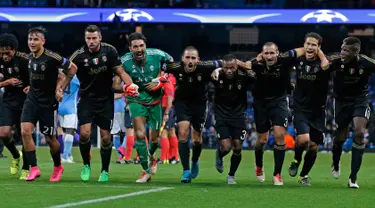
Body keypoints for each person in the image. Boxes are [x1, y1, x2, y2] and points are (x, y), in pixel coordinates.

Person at [165, 46, 249, 183]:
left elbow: (227, 61)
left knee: (197, 139)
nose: (190, 61)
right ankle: (186, 171)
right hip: (182, 104)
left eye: (193, 58)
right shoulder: (175, 67)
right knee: (183, 133)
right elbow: (160, 65)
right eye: (187, 57)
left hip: (200, 105)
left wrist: (242, 65)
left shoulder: (206, 66)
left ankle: (195, 160)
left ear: (198, 59)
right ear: (182, 59)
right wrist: (158, 78)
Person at [69, 25, 136, 182]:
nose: (91, 41)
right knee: (85, 134)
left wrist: (130, 86)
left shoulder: (110, 51)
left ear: (100, 38)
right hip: (86, 99)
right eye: (88, 38)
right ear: (85, 39)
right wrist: (59, 89)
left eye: (94, 38)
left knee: (106, 138)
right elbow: (67, 74)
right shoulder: (78, 55)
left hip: (106, 100)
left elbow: (121, 72)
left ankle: (104, 171)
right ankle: (86, 165)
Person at [21, 26, 78, 182]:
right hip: (32, 99)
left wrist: (61, 88)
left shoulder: (52, 57)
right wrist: (30, 86)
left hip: (48, 103)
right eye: (30, 39)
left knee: (50, 139)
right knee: (25, 131)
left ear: (43, 41)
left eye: (35, 39)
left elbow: (73, 68)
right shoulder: (29, 57)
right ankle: (34, 168)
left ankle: (58, 166)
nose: (32, 42)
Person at [121, 32, 173, 183]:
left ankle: (152, 157)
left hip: (155, 101)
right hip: (136, 100)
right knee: (139, 134)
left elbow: (170, 61)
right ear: (130, 48)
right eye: (135, 46)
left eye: (141, 46)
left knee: (154, 139)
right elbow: (115, 84)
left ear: (145, 45)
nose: (139, 49)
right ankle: (146, 171)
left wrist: (162, 78)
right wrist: (126, 88)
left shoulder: (157, 54)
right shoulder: (124, 61)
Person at [250, 42, 304, 185]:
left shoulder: (285, 59)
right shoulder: (256, 64)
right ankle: (259, 166)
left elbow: (303, 49)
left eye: (272, 53)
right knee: (262, 140)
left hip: (279, 101)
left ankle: (277, 174)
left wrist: (323, 58)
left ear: (277, 53)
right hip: (260, 103)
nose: (269, 56)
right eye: (266, 53)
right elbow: (240, 65)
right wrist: (217, 71)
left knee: (280, 134)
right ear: (262, 54)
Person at [328, 37, 375, 189]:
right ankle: (335, 161)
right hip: (341, 101)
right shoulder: (335, 60)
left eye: (347, 51)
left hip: (360, 99)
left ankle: (353, 177)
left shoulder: (366, 63)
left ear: (356, 52)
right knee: (340, 137)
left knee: (359, 132)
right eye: (342, 49)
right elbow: (319, 62)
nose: (343, 53)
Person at [287, 32, 330, 186]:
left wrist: (323, 58)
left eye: (314, 45)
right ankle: (296, 159)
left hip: (318, 111)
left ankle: (304, 175)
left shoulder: (325, 64)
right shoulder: (298, 59)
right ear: (303, 45)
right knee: (304, 139)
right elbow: (282, 61)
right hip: (300, 107)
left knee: (313, 146)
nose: (310, 47)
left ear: (319, 48)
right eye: (308, 44)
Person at [211, 54, 254, 184]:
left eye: (232, 67)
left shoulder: (244, 76)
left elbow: (254, 68)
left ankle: (231, 175)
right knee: (226, 147)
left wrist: (245, 66)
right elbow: (205, 66)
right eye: (226, 68)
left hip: (239, 115)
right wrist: (216, 69)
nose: (229, 70)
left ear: (236, 66)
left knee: (238, 147)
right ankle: (220, 153)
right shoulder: (217, 75)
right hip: (221, 115)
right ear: (222, 67)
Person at [0, 33, 30, 179]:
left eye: (8, 52)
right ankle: (16, 155)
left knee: (24, 134)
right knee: (3, 133)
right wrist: (6, 82)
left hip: (26, 101)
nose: (5, 56)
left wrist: (30, 87)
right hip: (8, 101)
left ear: (14, 49)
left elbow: (38, 80)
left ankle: (26, 167)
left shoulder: (25, 60)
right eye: (2, 53)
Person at [58, 75, 80, 163]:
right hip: (71, 108)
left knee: (64, 132)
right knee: (70, 132)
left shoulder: (60, 77)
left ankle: (69, 154)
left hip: (60, 107)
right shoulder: (76, 78)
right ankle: (65, 156)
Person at [159, 73, 177, 164]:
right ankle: (174, 157)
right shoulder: (172, 78)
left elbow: (170, 95)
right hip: (170, 107)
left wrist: (166, 112)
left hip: (166, 108)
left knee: (163, 132)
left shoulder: (167, 80)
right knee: (171, 131)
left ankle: (164, 158)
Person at [111, 80, 126, 163]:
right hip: (122, 108)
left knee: (116, 133)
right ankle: (122, 148)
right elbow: (121, 94)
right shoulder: (123, 79)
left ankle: (120, 156)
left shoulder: (110, 79)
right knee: (129, 131)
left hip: (113, 109)